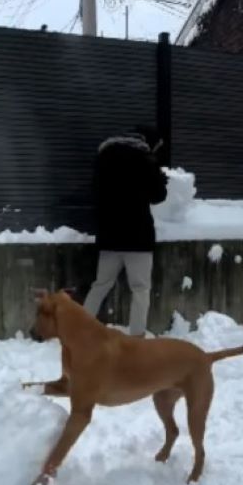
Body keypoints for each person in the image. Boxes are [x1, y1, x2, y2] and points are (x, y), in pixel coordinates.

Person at [84, 125, 167, 336]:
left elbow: (94, 191)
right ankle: (136, 338)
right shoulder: (145, 159)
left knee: (100, 285)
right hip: (138, 237)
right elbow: (158, 195)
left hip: (109, 236)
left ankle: (79, 329)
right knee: (140, 290)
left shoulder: (104, 157)